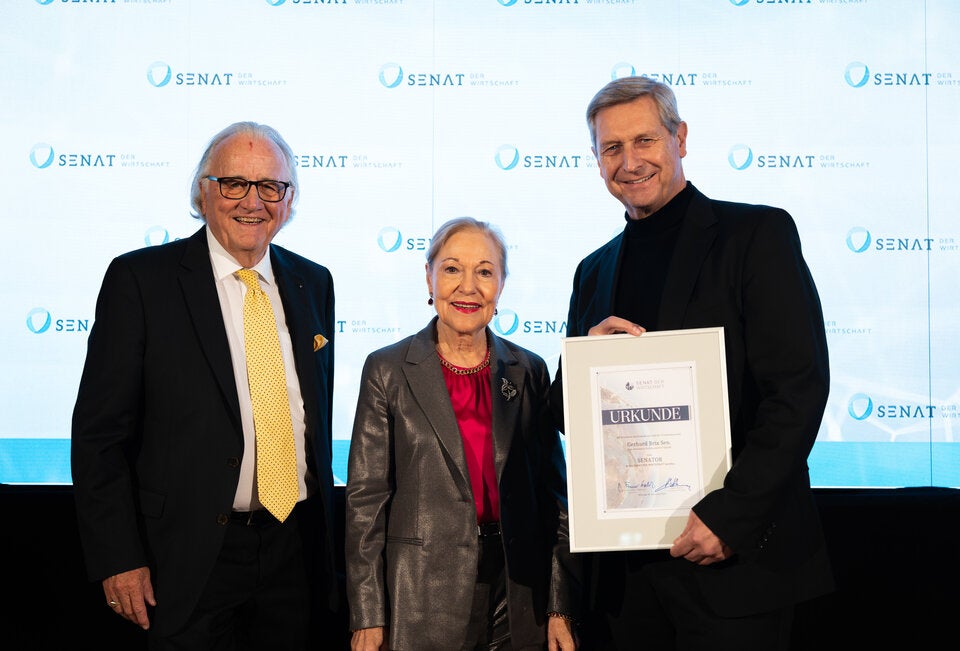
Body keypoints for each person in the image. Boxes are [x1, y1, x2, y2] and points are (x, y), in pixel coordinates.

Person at [550, 76, 834, 650]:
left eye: (645, 140)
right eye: (611, 148)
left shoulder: (756, 234)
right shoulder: (593, 271)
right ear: (597, 160)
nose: (630, 162)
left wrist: (731, 517)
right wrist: (585, 364)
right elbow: (568, 417)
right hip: (628, 578)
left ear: (679, 138)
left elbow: (797, 390)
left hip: (735, 565)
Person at [71, 121, 344, 649]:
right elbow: (99, 435)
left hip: (295, 552)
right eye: (234, 183)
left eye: (270, 187)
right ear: (203, 191)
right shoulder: (141, 281)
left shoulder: (315, 282)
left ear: (289, 200)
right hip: (184, 557)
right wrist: (118, 557)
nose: (253, 202)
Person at [345, 217, 582, 651]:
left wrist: (559, 605)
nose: (468, 287)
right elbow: (366, 502)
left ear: (501, 285)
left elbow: (555, 499)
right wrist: (368, 614)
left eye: (485, 271)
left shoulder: (529, 370)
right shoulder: (387, 370)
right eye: (452, 269)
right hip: (420, 595)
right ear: (429, 277)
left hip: (517, 596)